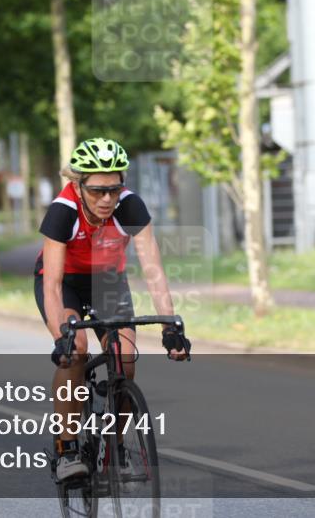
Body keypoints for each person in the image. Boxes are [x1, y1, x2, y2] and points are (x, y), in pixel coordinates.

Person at [34, 137, 190, 481]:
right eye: (97, 191)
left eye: (114, 190)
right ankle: (67, 448)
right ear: (79, 186)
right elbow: (52, 285)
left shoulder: (131, 207)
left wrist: (170, 327)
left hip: (107, 281)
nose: (106, 199)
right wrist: (61, 336)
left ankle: (115, 449)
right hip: (66, 284)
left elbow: (153, 270)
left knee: (126, 359)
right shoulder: (63, 211)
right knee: (75, 350)